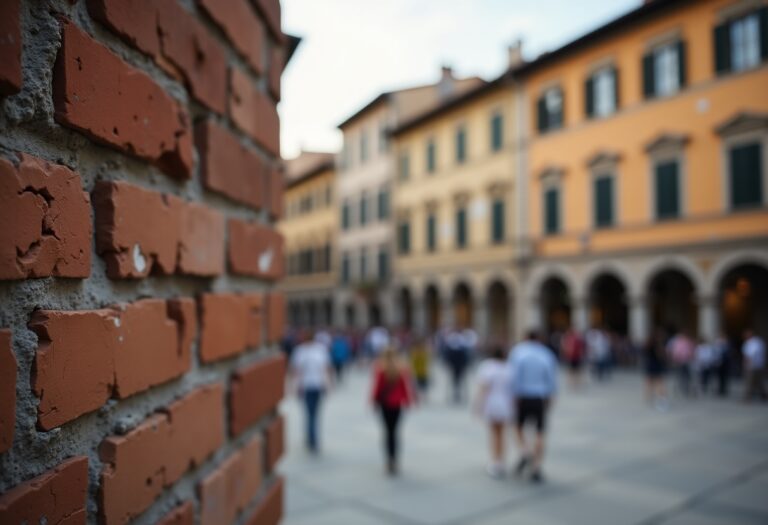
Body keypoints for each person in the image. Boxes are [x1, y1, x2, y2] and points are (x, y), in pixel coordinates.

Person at [508, 330, 558, 483]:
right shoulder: (546, 354)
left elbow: (514, 375)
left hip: (523, 396)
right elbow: (551, 378)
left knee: (517, 426)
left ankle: (525, 451)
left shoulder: (518, 352)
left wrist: (514, 395)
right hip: (540, 396)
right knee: (540, 432)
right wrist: (551, 396)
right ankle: (536, 467)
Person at [370, 347, 416, 475]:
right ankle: (395, 459)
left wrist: (373, 401)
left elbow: (377, 387)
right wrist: (408, 401)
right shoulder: (401, 368)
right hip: (397, 404)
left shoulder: (380, 369)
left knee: (387, 432)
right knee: (395, 432)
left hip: (385, 404)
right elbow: (405, 387)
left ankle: (389, 460)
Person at [290, 332, 333, 454]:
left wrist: (328, 384)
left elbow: (325, 368)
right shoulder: (304, 351)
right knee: (310, 413)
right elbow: (297, 371)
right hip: (308, 386)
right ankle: (312, 439)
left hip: (315, 385)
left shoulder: (312, 350)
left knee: (313, 414)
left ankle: (311, 438)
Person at [474, 344, 513, 478]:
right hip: (506, 403)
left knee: (494, 433)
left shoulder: (488, 367)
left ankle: (495, 461)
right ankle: (501, 460)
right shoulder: (509, 368)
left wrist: (478, 405)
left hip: (492, 403)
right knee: (502, 433)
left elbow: (483, 388)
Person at [643, 329, 668, 410]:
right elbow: (660, 355)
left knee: (650, 383)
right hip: (656, 365)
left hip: (650, 365)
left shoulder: (648, 343)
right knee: (659, 383)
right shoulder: (657, 344)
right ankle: (661, 400)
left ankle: (649, 398)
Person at [667, 330, 695, 397]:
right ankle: (681, 387)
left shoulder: (688, 342)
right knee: (680, 375)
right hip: (679, 361)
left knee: (687, 375)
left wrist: (690, 356)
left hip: (686, 361)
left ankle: (687, 387)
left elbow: (692, 351)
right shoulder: (678, 343)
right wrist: (675, 358)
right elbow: (675, 351)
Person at [742, 329, 766, 402]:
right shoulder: (755, 342)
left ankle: (747, 398)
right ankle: (764, 395)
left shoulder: (754, 342)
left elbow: (751, 354)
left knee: (749, 382)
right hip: (757, 365)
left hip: (752, 366)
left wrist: (746, 364)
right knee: (759, 382)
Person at [713, 333, 731, 397]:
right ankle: (719, 389)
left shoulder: (727, 345)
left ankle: (723, 389)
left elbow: (728, 355)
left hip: (725, 364)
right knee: (718, 377)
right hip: (718, 364)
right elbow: (715, 354)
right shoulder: (717, 346)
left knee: (724, 377)